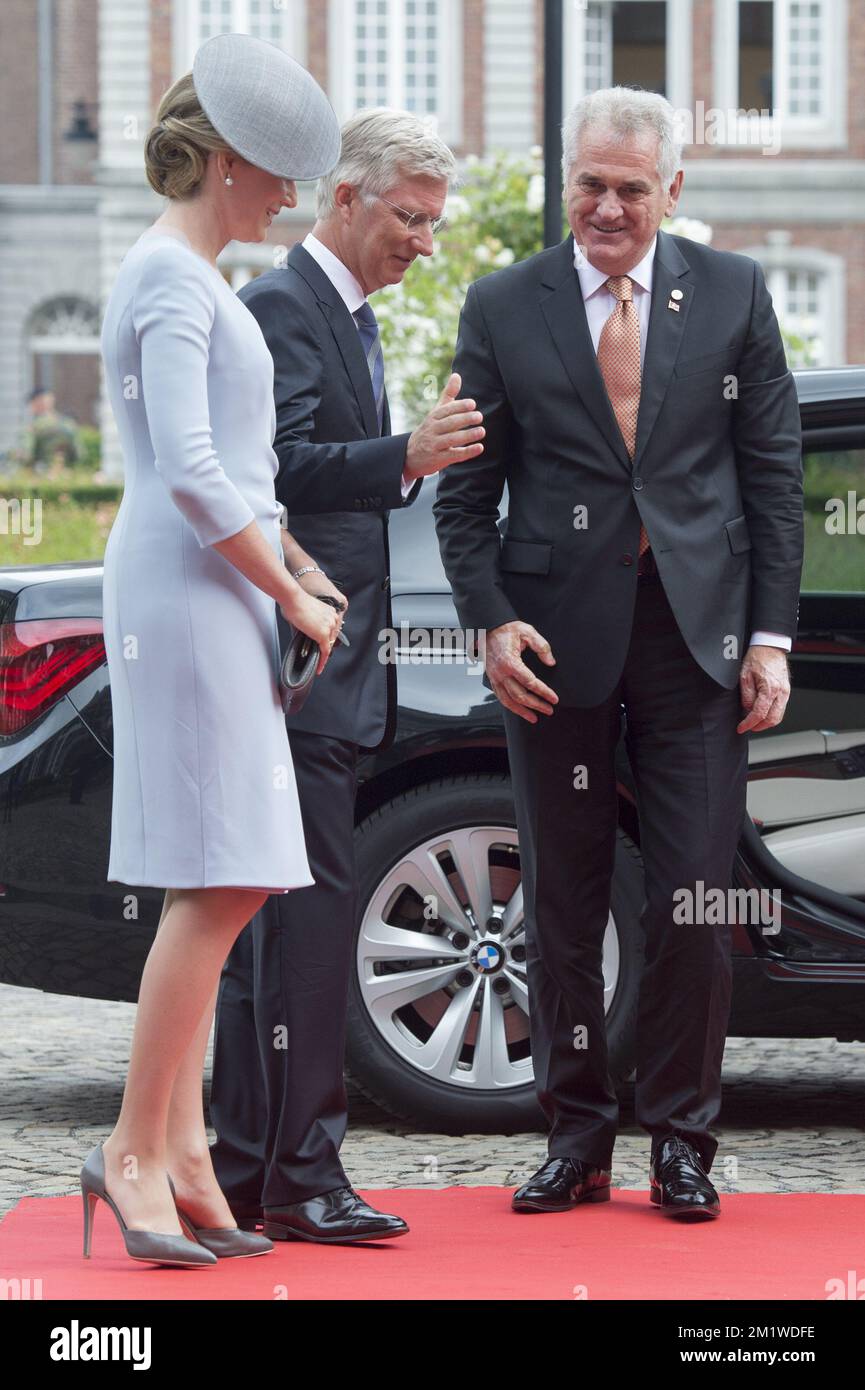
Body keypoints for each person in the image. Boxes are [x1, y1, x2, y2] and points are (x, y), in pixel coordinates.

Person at [433, 86, 803, 1222]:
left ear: (671, 191)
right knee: (561, 898)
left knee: (692, 895)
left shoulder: (734, 292)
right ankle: (576, 1134)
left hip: (696, 641)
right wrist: (491, 620)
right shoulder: (504, 305)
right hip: (552, 644)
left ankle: (682, 1140)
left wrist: (772, 637)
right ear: (568, 182)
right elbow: (465, 495)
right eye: (588, 184)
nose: (604, 206)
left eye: (629, 189)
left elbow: (773, 477)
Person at [82, 33, 343, 1268]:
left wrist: (291, 567)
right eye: (280, 173)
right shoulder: (172, 278)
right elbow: (189, 470)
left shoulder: (187, 274)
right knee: (221, 874)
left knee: (223, 870)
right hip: (188, 591)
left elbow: (234, 469)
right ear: (229, 161)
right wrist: (285, 592)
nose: (291, 198)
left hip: (209, 584)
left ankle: (181, 1148)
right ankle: (136, 1146)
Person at [209, 107, 484, 1243]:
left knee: (274, 928)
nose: (424, 242)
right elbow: (272, 473)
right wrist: (405, 455)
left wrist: (400, 464)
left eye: (433, 224)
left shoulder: (344, 314)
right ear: (344, 200)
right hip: (301, 663)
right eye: (410, 219)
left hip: (324, 666)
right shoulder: (285, 306)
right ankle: (301, 1173)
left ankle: (246, 1166)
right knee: (303, 925)